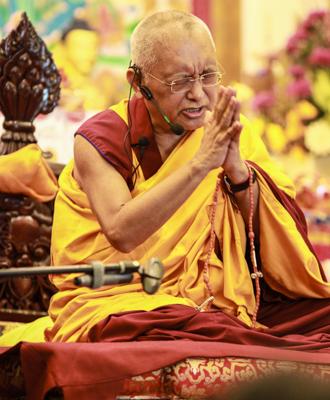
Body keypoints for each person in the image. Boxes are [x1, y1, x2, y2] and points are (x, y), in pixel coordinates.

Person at [46, 10, 330, 350]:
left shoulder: (226, 132)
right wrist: (201, 164)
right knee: (168, 327)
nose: (198, 93)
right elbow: (121, 231)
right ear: (138, 82)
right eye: (179, 82)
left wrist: (239, 173)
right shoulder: (101, 138)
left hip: (219, 295)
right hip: (121, 298)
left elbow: (278, 237)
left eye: (208, 75)